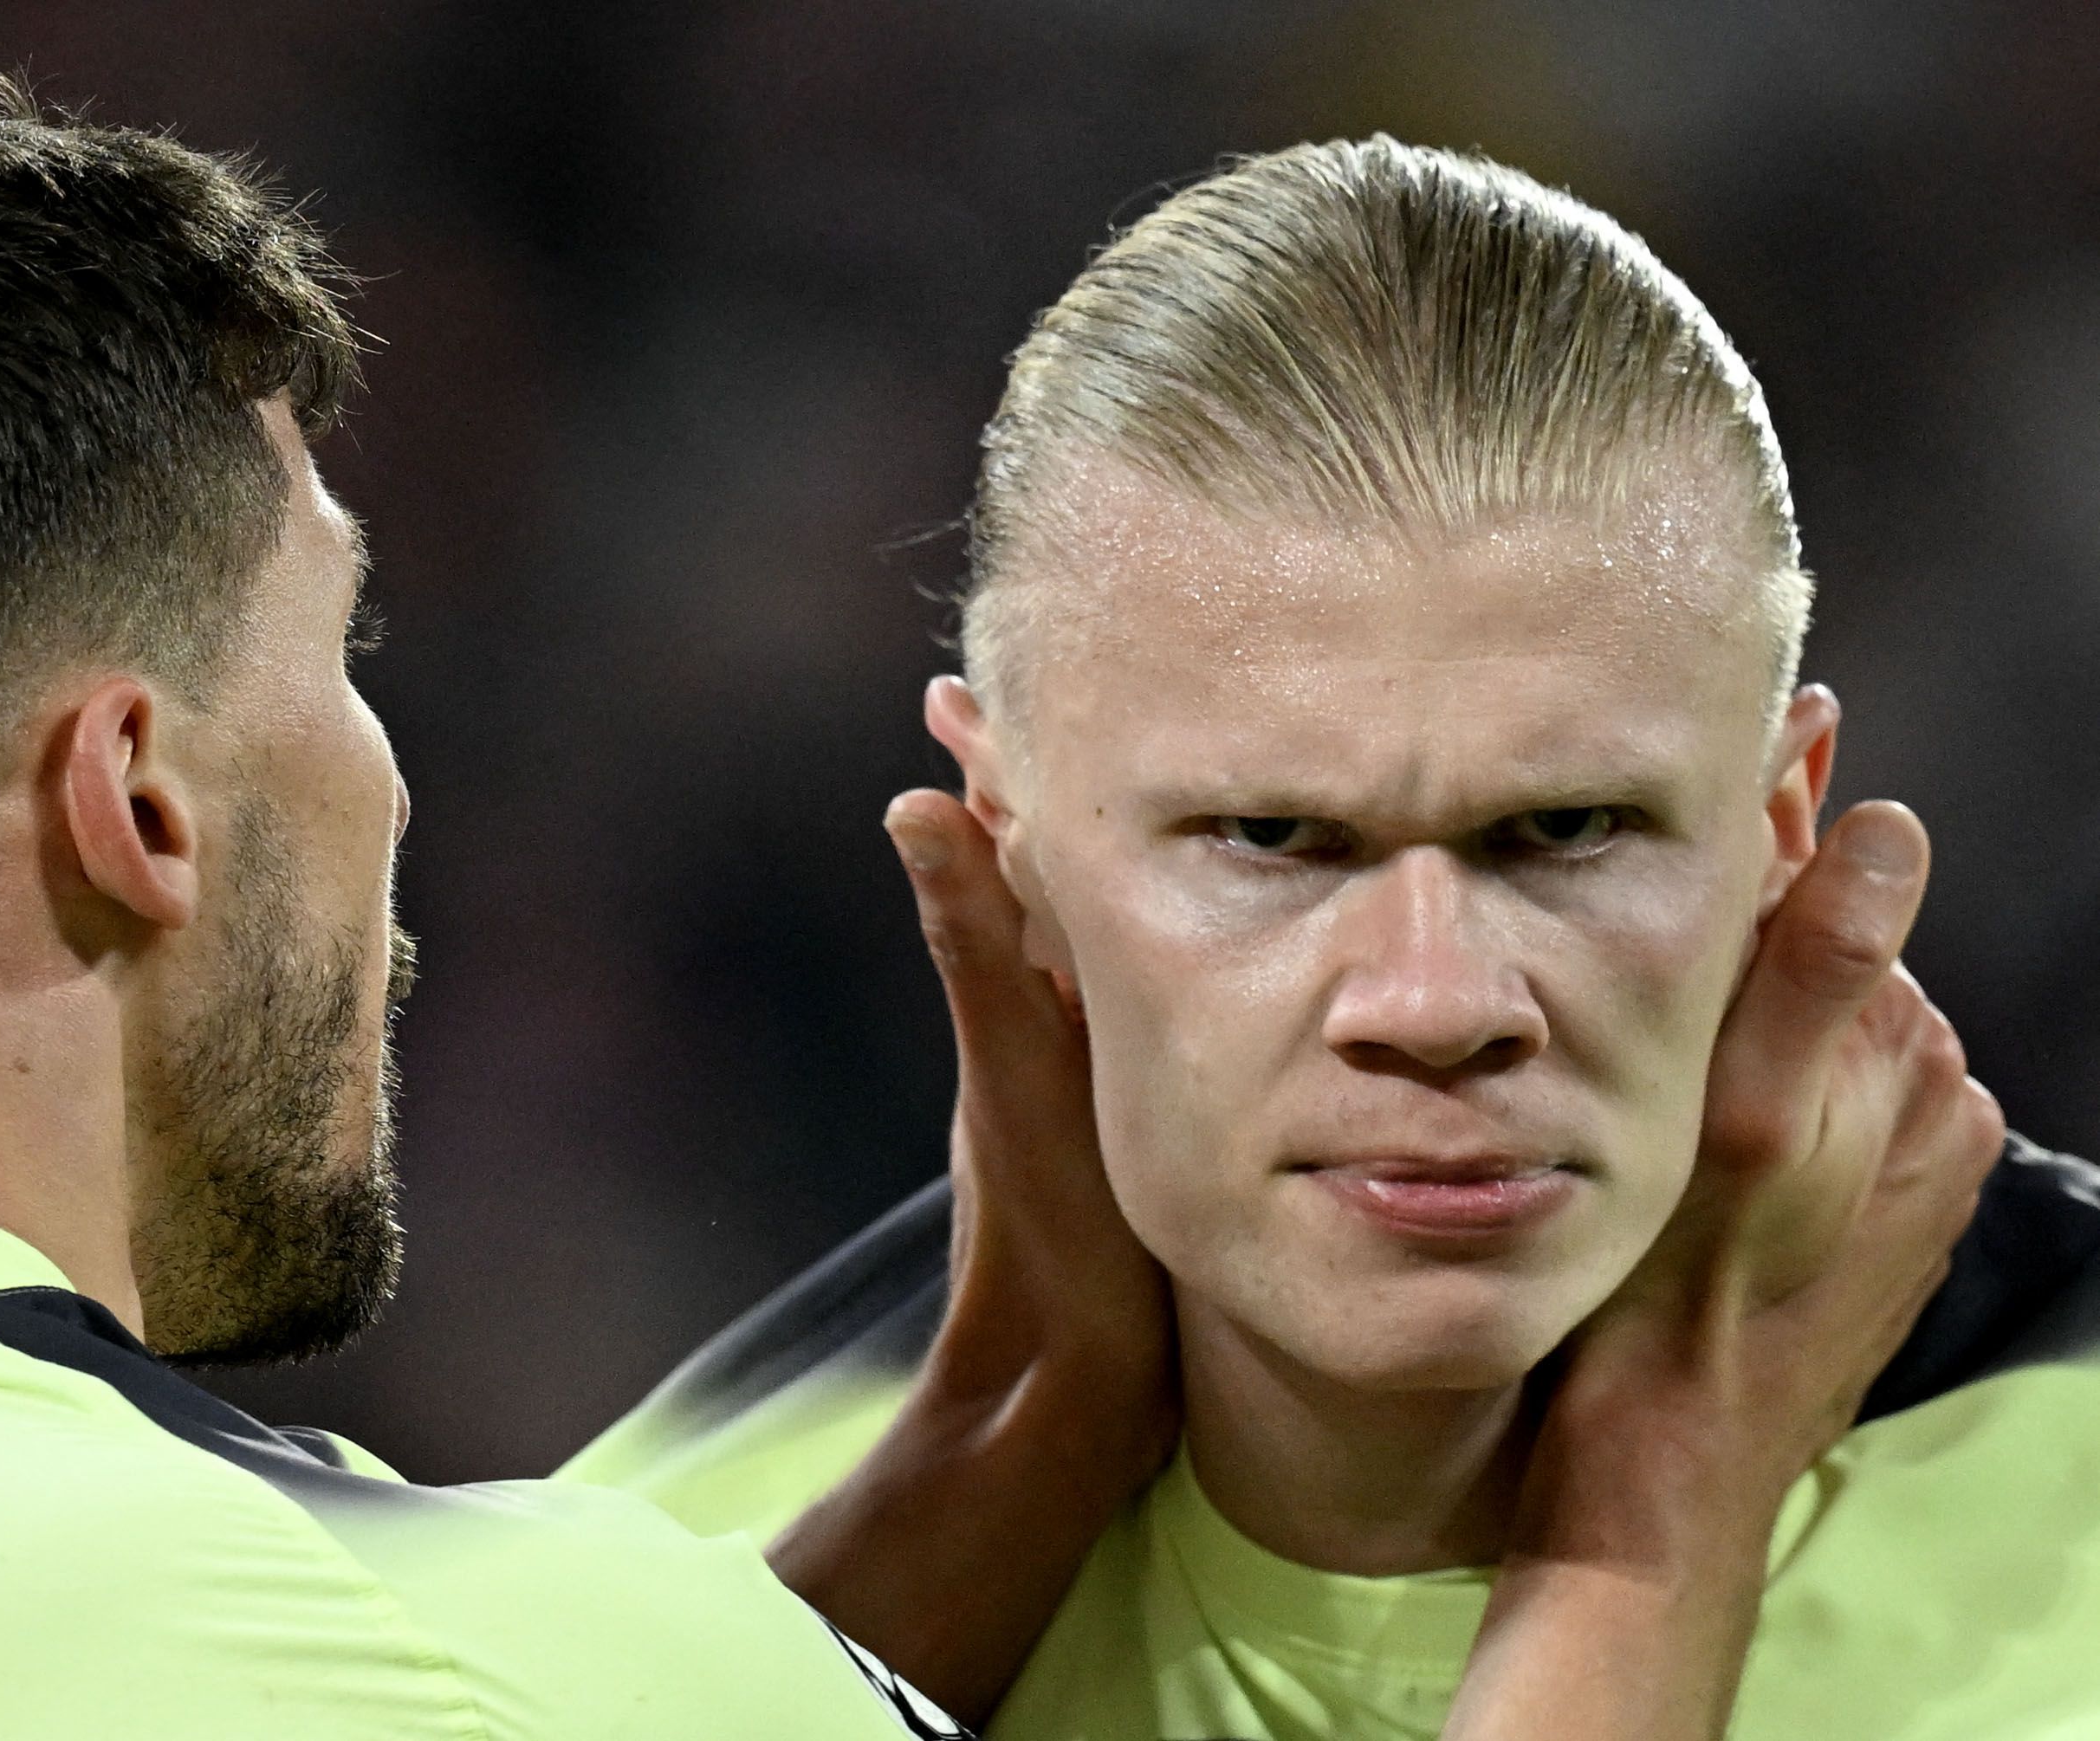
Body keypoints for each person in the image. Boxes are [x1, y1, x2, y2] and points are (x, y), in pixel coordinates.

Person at [0, 95, 1995, 1739]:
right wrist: (1649, 1525)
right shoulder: (394, 1640)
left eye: (1558, 834)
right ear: (136, 803)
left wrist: (1006, 1409)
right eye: (339, 657)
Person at [563, 137, 2100, 1739]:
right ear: (1007, 849)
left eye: (1568, 830)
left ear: (1786, 827)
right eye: (1276, 839)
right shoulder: (610, 1590)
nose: (1436, 1004)